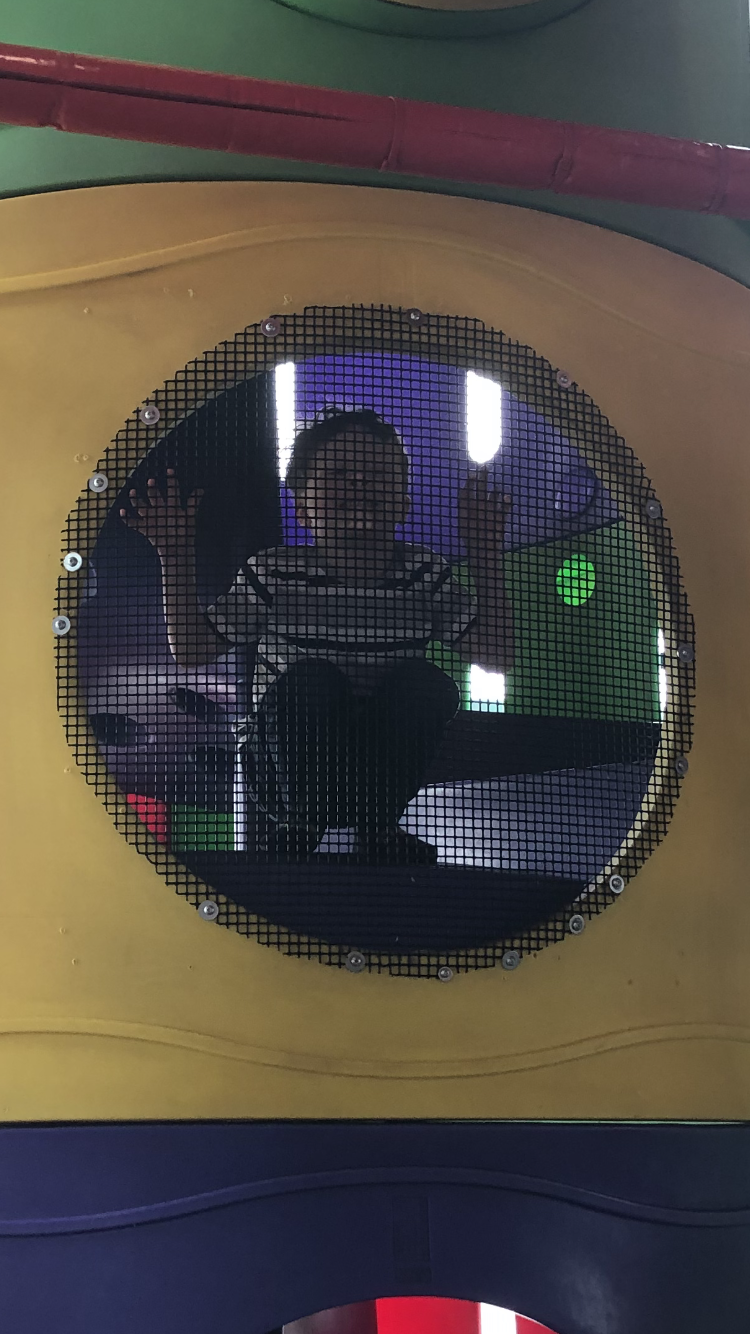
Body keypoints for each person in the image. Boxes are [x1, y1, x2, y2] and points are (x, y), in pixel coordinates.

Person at [121, 408, 514, 863]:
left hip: (375, 775)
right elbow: (192, 649)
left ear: (404, 505)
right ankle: (301, 822)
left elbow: (496, 655)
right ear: (304, 511)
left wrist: (485, 555)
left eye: (378, 474)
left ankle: (378, 828)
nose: (359, 482)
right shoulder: (275, 573)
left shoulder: (423, 574)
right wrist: (174, 554)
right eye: (338, 473)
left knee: (429, 685)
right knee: (313, 681)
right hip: (282, 772)